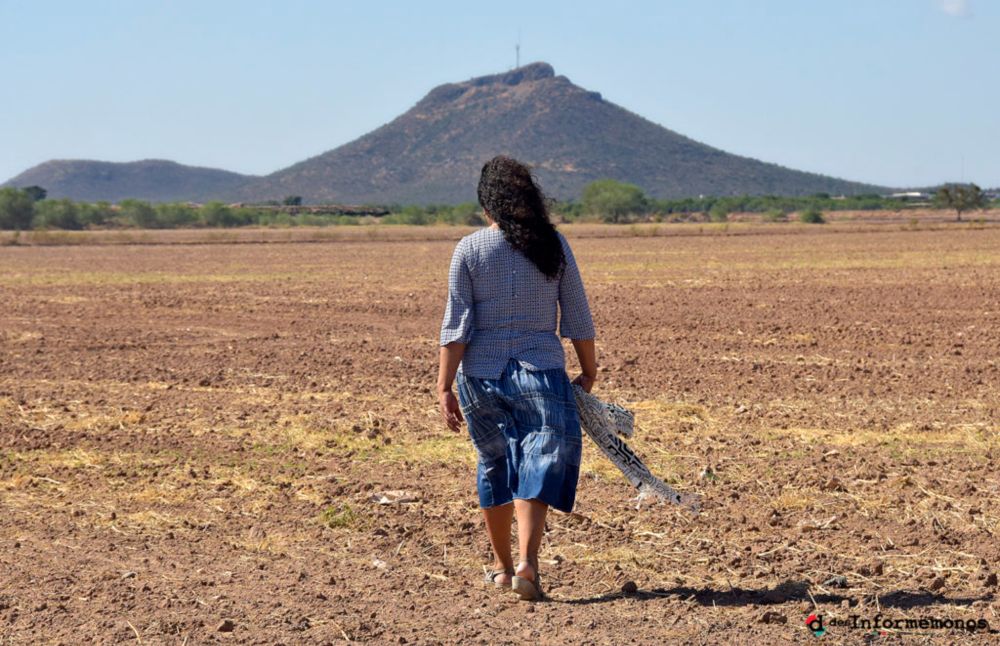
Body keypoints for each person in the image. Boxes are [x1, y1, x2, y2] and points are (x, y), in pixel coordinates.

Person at [436, 155, 597, 601]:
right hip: (540, 371)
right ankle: (528, 562)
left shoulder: (468, 249)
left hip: (480, 377)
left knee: (493, 463)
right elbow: (578, 317)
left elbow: (457, 326)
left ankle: (501, 567)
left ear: (487, 203)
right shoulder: (554, 245)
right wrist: (589, 369)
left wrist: (444, 387)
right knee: (538, 461)